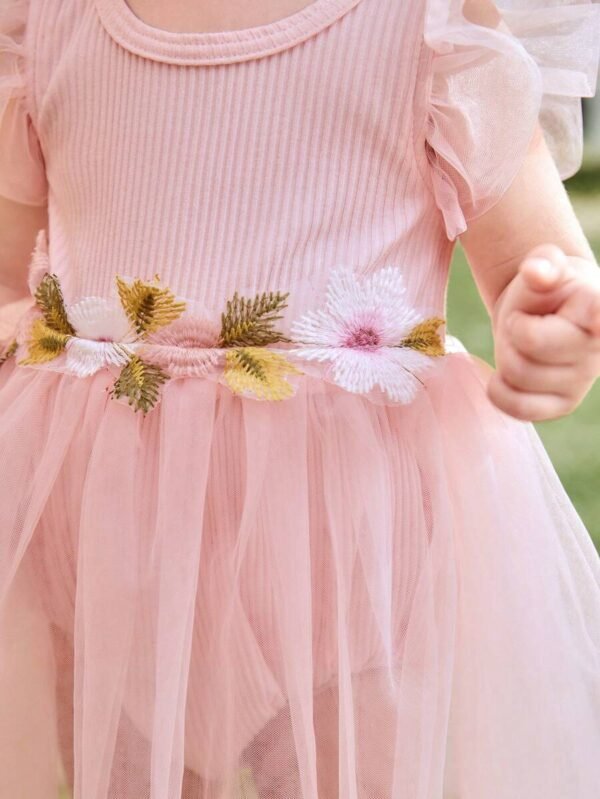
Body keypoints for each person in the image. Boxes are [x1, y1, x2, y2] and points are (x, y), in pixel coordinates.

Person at [0, 0, 600, 796]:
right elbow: (13, 277)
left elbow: (537, 259)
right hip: (111, 542)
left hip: (348, 544)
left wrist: (550, 319)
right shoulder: (42, 20)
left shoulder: (433, 24)